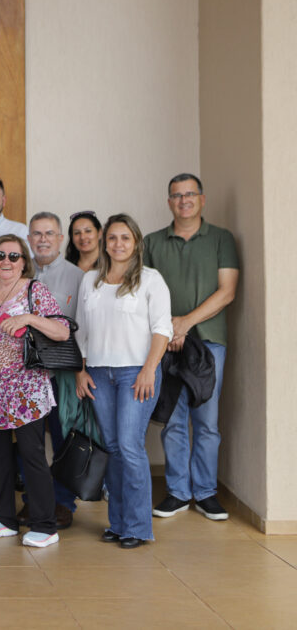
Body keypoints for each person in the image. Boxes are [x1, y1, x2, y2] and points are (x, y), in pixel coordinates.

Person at [144, 174, 238, 521]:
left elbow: (227, 291)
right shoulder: (153, 242)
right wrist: (170, 327)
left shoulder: (221, 239)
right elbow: (145, 292)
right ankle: (179, 492)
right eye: (176, 195)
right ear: (169, 202)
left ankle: (206, 492)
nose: (183, 200)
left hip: (209, 340)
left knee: (207, 419)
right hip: (166, 341)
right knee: (173, 419)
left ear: (202, 199)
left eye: (190, 194)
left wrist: (185, 322)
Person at [76, 214, 172, 548]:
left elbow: (163, 329)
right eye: (113, 238)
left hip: (137, 372)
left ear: (136, 243)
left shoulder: (150, 279)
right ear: (105, 242)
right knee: (114, 448)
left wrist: (149, 369)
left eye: (125, 238)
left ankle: (137, 527)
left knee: (130, 447)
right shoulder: (91, 280)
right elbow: (82, 333)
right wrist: (80, 371)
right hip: (100, 373)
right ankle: (117, 523)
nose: (118, 244)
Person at [0, 234, 69, 549]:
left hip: (25, 387)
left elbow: (62, 331)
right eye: (0, 256)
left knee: (32, 454)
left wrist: (27, 317)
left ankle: (44, 523)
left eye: (13, 256)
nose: (6, 262)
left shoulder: (33, 290)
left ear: (24, 261)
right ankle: (4, 518)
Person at [21, 211, 85, 529]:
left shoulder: (78, 276)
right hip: (24, 372)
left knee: (63, 437)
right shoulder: (17, 270)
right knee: (26, 439)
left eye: (50, 233)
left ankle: (62, 503)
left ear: (61, 239)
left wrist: (81, 370)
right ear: (29, 238)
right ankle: (33, 501)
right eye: (36, 234)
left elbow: (84, 326)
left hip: (61, 371)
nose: (43, 239)